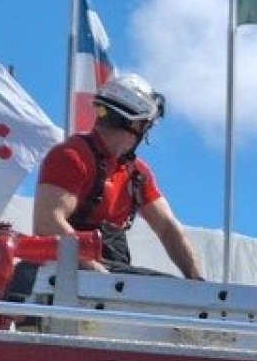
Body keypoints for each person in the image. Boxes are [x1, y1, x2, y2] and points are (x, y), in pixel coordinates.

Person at [33, 73, 203, 280]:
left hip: (105, 276)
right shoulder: (71, 157)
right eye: (146, 125)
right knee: (164, 290)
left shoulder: (137, 174)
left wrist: (199, 285)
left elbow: (167, 227)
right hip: (64, 277)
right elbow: (47, 223)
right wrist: (97, 273)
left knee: (172, 292)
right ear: (136, 124)